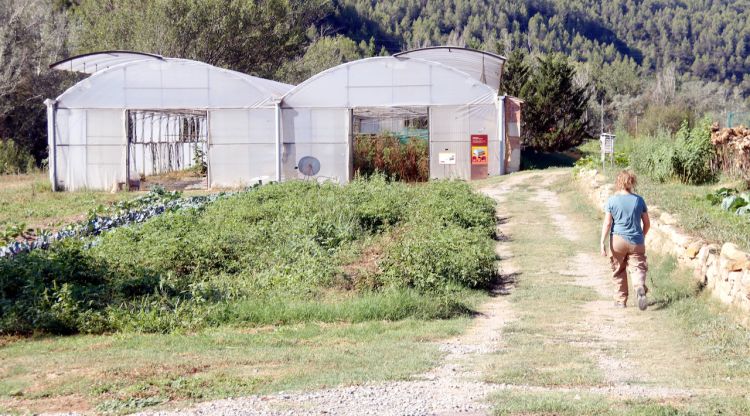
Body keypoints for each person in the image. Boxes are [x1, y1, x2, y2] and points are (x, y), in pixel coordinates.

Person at [599, 170, 650, 310]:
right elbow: (647, 224)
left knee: (618, 270)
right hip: (636, 240)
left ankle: (621, 301)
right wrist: (641, 236)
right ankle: (639, 286)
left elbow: (607, 223)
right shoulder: (639, 200)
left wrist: (602, 242)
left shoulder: (612, 200)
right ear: (632, 182)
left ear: (618, 182)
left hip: (617, 240)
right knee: (638, 267)